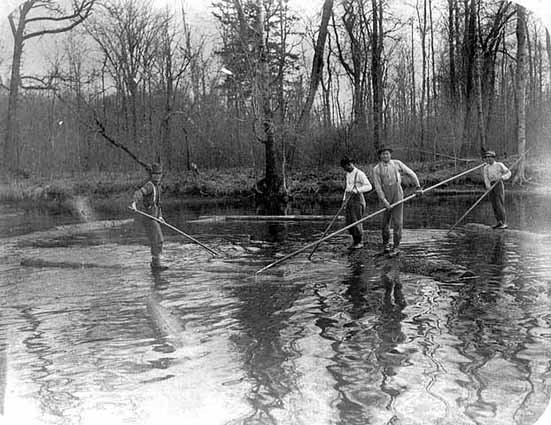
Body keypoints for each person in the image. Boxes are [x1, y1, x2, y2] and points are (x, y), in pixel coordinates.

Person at [372, 147, 423, 255]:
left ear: (390, 154)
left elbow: (411, 173)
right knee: (385, 223)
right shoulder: (376, 169)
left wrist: (418, 186)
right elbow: (377, 187)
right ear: (380, 156)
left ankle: (396, 247)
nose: (385, 156)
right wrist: (384, 200)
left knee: (398, 222)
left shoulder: (397, 163)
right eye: (383, 154)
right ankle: (385, 245)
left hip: (397, 193)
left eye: (387, 154)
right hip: (385, 194)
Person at [130, 163, 167, 270]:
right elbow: (139, 193)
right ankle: (156, 263)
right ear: (152, 175)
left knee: (158, 240)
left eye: (159, 174)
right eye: (155, 174)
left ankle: (155, 262)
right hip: (148, 217)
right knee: (157, 239)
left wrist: (160, 216)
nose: (157, 176)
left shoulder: (158, 187)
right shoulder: (149, 185)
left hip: (155, 217)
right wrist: (134, 203)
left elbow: (158, 204)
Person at [340, 156, 372, 249]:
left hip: (358, 200)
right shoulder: (347, 174)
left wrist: (357, 190)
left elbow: (369, 186)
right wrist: (343, 201)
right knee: (349, 222)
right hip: (349, 200)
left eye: (346, 167)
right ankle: (355, 241)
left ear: (349, 164)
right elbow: (347, 188)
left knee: (356, 221)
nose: (345, 169)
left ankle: (360, 242)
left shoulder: (360, 174)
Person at [483, 150, 511, 229]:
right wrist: (488, 186)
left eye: (489, 157)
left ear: (493, 158)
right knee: (494, 204)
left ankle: (503, 223)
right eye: (486, 157)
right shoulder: (486, 167)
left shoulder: (499, 165)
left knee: (499, 204)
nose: (488, 159)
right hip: (491, 185)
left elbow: (509, 173)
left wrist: (502, 177)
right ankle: (498, 222)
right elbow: (486, 178)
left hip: (498, 184)